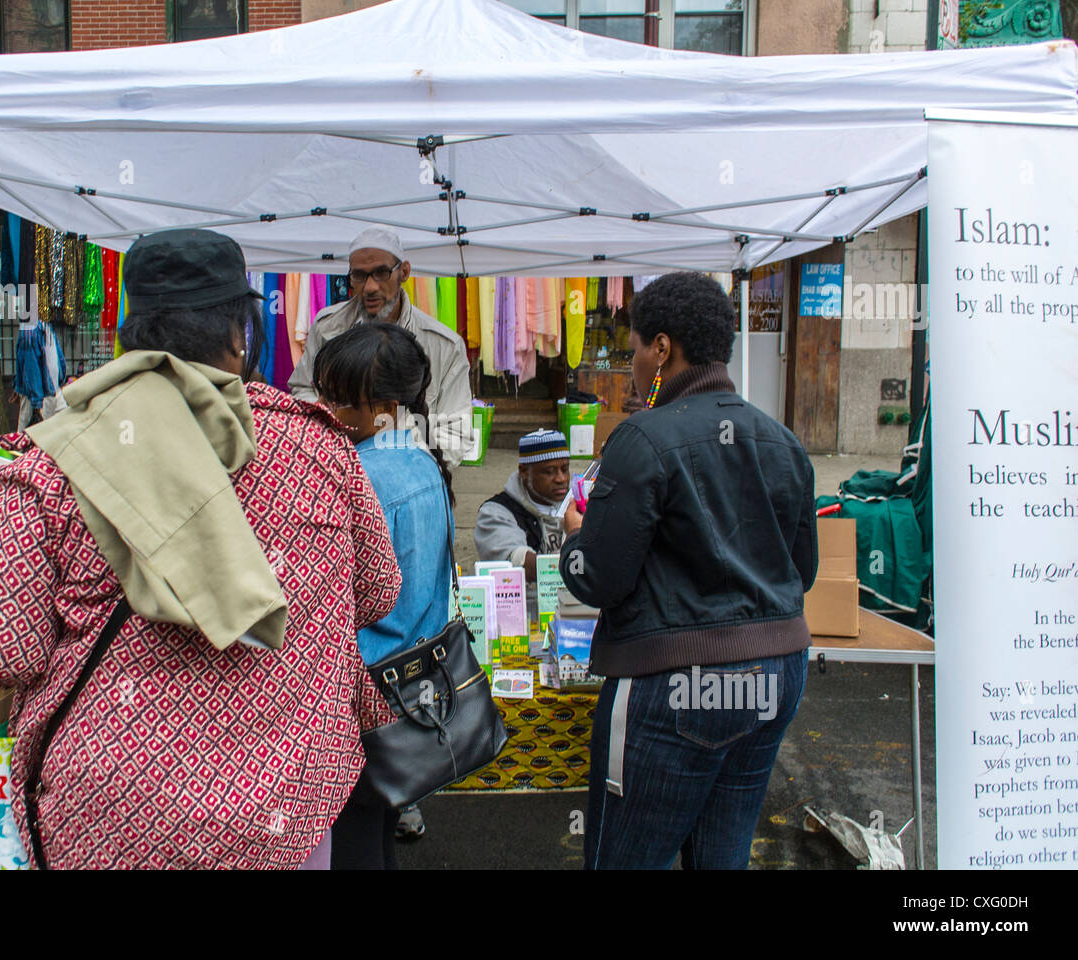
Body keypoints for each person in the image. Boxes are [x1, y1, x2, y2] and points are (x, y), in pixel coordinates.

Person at [0, 228, 402, 869]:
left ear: (134, 325)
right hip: (286, 802)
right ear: (241, 331)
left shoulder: (53, 459)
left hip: (111, 810)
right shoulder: (320, 448)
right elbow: (379, 593)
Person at [558, 271, 818, 870]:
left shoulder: (642, 438)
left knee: (626, 856)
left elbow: (597, 577)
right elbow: (799, 571)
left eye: (635, 351)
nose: (632, 366)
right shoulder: (781, 440)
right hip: (776, 675)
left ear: (663, 349)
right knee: (722, 851)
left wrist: (576, 538)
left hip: (673, 686)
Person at [312, 322, 455, 869]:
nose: (328, 410)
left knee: (351, 840)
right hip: (411, 687)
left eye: (344, 400)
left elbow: (335, 597)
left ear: (387, 406)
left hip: (362, 690)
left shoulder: (358, 474)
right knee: (374, 831)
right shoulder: (420, 460)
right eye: (326, 395)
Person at [287, 226, 474, 467]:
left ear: (404, 272)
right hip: (337, 470)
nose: (370, 287)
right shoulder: (327, 327)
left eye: (381, 273)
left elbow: (455, 434)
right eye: (359, 276)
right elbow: (303, 392)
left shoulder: (444, 346)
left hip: (410, 477)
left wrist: (393, 461)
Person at [474, 428, 570, 607]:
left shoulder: (578, 504)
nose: (561, 478)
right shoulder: (495, 513)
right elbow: (520, 566)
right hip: (522, 617)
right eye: (549, 471)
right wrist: (575, 536)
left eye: (565, 469)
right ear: (524, 472)